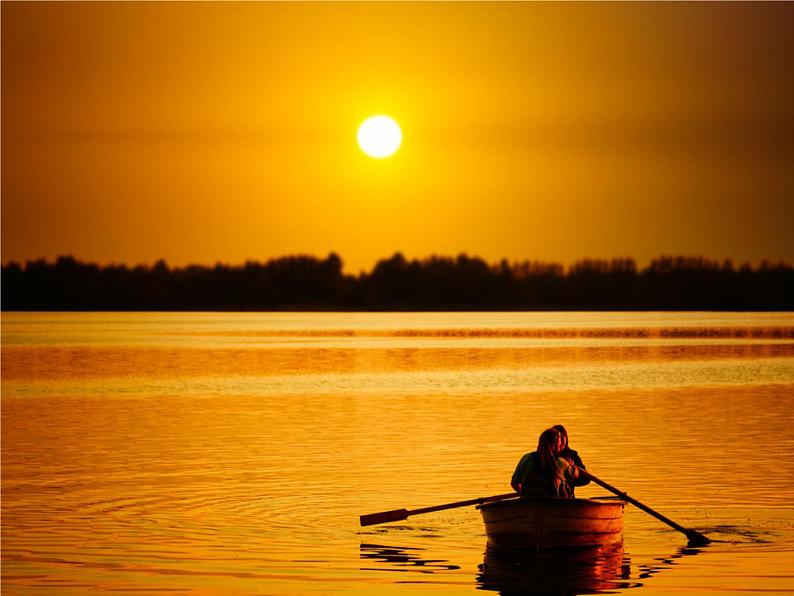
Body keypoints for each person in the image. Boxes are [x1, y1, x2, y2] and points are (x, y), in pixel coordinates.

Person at [510, 427, 578, 498]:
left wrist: (525, 495)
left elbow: (514, 483)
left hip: (529, 503)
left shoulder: (526, 459)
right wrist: (573, 466)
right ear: (556, 445)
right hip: (554, 505)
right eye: (560, 444)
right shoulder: (562, 463)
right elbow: (575, 475)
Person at [552, 424, 591, 495]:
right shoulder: (542, 455)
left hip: (567, 497)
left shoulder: (572, 455)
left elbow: (586, 479)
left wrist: (570, 475)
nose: (559, 443)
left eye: (562, 439)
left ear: (566, 440)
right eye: (556, 440)